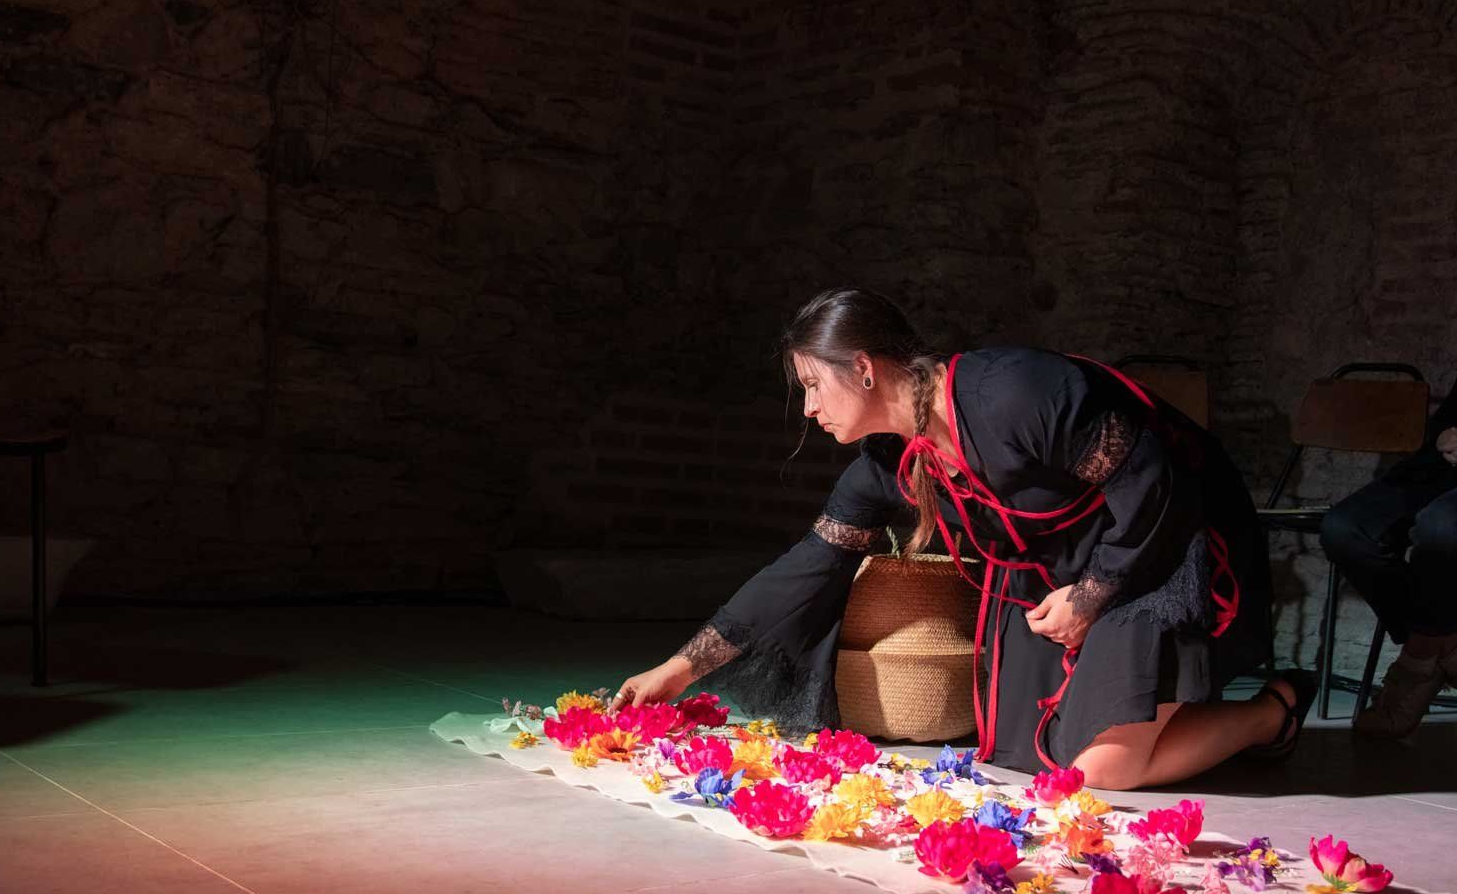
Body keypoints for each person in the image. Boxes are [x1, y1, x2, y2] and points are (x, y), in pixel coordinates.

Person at [611, 288, 1306, 790]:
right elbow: (808, 567)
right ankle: (1171, 708)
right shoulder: (889, 464)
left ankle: (1269, 714)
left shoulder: (1014, 393)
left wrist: (1092, 598)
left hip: (1152, 549)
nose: (810, 408)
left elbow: (1150, 476)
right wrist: (677, 671)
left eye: (812, 385)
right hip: (1054, 583)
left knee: (1102, 774)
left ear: (863, 367)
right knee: (1033, 760)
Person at [1322, 380, 1457, 738]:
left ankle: (1419, 658)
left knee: (1440, 529)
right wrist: (1444, 435)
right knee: (1344, 529)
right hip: (1442, 464)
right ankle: (1444, 645)